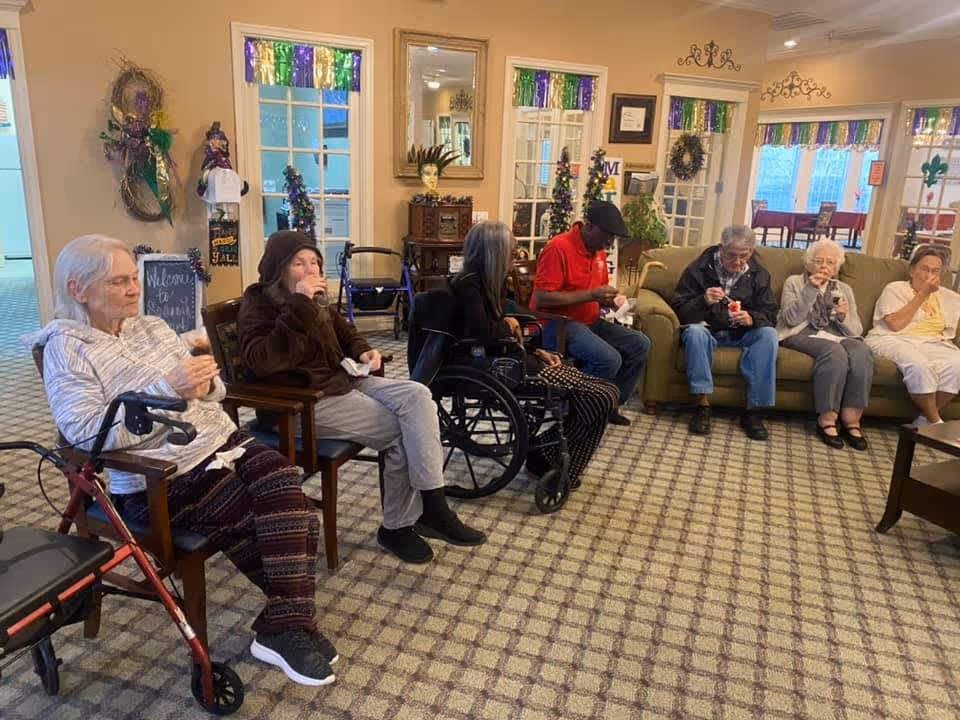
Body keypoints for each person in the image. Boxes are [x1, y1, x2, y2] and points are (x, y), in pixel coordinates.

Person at [30, 234, 337, 687]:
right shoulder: (68, 347)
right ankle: (290, 625)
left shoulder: (152, 326)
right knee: (288, 523)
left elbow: (216, 393)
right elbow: (85, 435)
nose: (134, 288)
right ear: (78, 289)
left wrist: (204, 384)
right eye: (119, 282)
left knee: (289, 493)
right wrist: (168, 391)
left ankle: (283, 625)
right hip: (162, 479)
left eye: (134, 278)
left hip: (224, 443)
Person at [237, 230, 486, 565]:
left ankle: (434, 506)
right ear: (278, 268)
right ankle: (402, 525)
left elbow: (343, 328)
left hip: (340, 381)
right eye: (299, 263)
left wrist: (363, 349)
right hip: (300, 403)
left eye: (314, 262)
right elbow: (262, 361)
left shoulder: (315, 299)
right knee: (402, 430)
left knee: (418, 395)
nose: (310, 270)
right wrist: (298, 305)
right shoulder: (260, 303)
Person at [449, 221, 620, 486]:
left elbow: (507, 331)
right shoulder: (469, 285)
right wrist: (506, 324)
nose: (515, 256)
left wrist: (536, 350)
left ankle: (543, 452)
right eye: (511, 250)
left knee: (606, 393)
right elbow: (484, 333)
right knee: (599, 397)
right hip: (498, 365)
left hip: (513, 357)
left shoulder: (486, 283)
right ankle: (543, 455)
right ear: (494, 252)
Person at [531, 200, 650, 426]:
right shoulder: (558, 248)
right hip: (557, 325)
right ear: (589, 226)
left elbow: (600, 291)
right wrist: (591, 295)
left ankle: (609, 404)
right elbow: (541, 298)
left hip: (589, 320)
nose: (609, 243)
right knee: (609, 359)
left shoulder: (598, 251)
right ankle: (580, 412)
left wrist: (615, 301)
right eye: (607, 236)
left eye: (613, 238)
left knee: (640, 344)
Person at [670, 224, 779, 440]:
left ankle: (753, 411)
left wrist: (752, 318)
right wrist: (703, 300)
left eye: (744, 256)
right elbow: (679, 310)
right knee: (694, 332)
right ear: (721, 248)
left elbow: (771, 315)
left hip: (742, 334)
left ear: (751, 252)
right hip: (708, 330)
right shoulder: (697, 269)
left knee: (768, 335)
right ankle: (702, 405)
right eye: (731, 256)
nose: (737, 262)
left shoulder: (759, 275)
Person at [777, 239, 872, 450]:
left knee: (861, 350)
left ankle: (851, 419)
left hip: (835, 333)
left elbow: (856, 331)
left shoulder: (843, 289)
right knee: (834, 351)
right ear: (808, 264)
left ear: (837, 267)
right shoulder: (794, 282)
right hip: (801, 332)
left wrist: (842, 318)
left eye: (830, 262)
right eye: (818, 261)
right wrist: (810, 289)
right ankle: (828, 419)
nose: (823, 266)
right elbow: (790, 319)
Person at [866, 244, 960, 427]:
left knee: (957, 364)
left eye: (935, 271)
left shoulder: (948, 296)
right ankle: (937, 423)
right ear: (911, 270)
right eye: (925, 269)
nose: (930, 275)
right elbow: (894, 325)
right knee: (919, 365)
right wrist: (923, 294)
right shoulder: (895, 289)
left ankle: (925, 419)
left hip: (933, 342)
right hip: (893, 338)